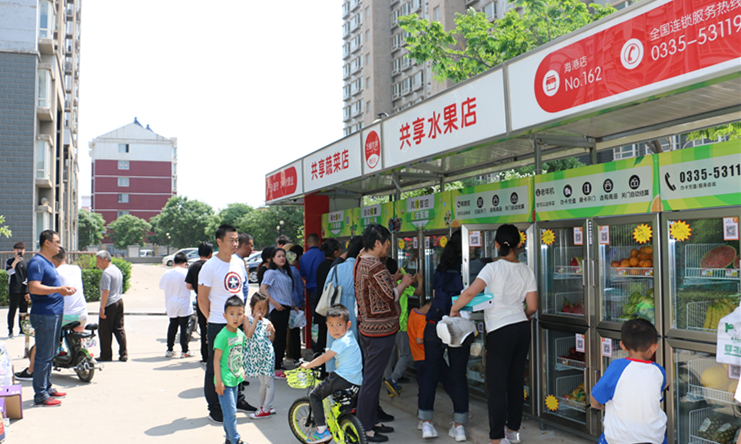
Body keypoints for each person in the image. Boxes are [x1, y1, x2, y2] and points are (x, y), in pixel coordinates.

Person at [452, 224, 537, 444]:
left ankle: (497, 439)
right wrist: (522, 316)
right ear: (519, 244)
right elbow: (533, 307)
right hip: (521, 328)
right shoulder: (527, 270)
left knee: (497, 387)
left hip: (500, 331)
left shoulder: (492, 268)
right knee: (516, 381)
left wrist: (454, 309)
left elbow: (470, 292)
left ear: (497, 244)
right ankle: (513, 432)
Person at [354, 224, 414, 442]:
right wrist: (404, 282)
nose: (389, 245)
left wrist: (392, 278)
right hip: (379, 332)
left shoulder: (361, 260)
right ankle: (364, 427)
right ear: (377, 243)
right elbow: (389, 296)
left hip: (368, 328)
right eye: (387, 242)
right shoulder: (375, 266)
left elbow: (377, 290)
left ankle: (372, 420)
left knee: (373, 378)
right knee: (371, 380)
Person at [198, 224, 256, 424]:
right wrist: (211, 318)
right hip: (218, 324)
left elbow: (241, 291)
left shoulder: (238, 263)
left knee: (236, 362)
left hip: (238, 322)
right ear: (219, 241)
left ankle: (237, 399)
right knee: (215, 366)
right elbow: (202, 299)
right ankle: (214, 407)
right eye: (231, 240)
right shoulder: (210, 266)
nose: (235, 243)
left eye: (237, 240)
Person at [416, 229, 470, 441]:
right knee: (458, 377)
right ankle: (459, 427)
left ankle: (426, 423)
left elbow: (436, 295)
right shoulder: (470, 269)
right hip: (458, 326)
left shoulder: (440, 269)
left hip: (435, 324)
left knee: (430, 374)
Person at [14, 246, 85, 382]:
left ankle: (31, 371)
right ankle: (77, 357)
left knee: (42, 343)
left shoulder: (54, 271)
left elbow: (40, 288)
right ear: (65, 257)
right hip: (82, 313)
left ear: (53, 259)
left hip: (62, 314)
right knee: (76, 339)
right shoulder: (77, 269)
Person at [590, 319, 667, 444]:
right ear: (654, 347)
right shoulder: (659, 371)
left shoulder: (617, 367)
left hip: (618, 440)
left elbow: (596, 396)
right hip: (654, 439)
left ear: (622, 345)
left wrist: (597, 406)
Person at [300, 304, 363, 444]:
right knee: (341, 410)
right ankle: (344, 430)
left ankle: (321, 431)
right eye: (331, 325)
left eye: (339, 324)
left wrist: (308, 365)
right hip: (356, 381)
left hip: (342, 378)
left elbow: (324, 358)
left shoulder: (340, 342)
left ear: (348, 324)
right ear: (327, 325)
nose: (335, 329)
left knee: (315, 395)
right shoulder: (350, 337)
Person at [27, 230, 76, 406]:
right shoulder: (37, 262)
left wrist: (63, 289)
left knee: (50, 353)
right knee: (44, 354)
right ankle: (40, 394)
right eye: (57, 242)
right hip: (45, 314)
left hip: (53, 313)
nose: (59, 246)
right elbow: (34, 287)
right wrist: (59, 290)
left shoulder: (48, 262)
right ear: (46, 243)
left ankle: (47, 387)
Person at [324, 236, 363, 372]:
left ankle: (331, 375)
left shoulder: (336, 268)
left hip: (335, 310)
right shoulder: (360, 270)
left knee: (333, 343)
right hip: (353, 311)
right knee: (351, 344)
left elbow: (326, 289)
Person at [384, 260, 422, 397]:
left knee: (388, 357)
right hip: (402, 326)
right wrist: (420, 280)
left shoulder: (385, 285)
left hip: (388, 326)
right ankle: (393, 380)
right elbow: (418, 292)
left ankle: (388, 384)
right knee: (405, 354)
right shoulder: (402, 285)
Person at [214, 296, 248, 444]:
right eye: (231, 314)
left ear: (244, 315)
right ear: (225, 316)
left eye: (239, 314)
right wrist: (218, 381)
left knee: (231, 412)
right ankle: (235, 440)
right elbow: (216, 359)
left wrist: (241, 368)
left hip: (235, 379)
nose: (235, 317)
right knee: (231, 413)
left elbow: (238, 354)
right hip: (224, 380)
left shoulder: (240, 335)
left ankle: (229, 439)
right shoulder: (222, 336)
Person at [259, 247, 298, 379]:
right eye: (279, 256)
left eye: (283, 256)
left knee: (282, 338)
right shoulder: (271, 272)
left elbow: (287, 291)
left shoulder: (285, 272)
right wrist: (274, 303)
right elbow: (263, 288)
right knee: (278, 339)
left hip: (286, 307)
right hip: (277, 309)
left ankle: (278, 364)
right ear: (273, 259)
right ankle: (275, 368)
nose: (282, 258)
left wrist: (293, 305)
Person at [243, 292, 276, 419]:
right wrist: (256, 319)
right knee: (262, 383)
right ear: (252, 307)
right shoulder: (247, 319)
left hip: (267, 355)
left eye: (264, 308)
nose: (261, 311)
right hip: (256, 357)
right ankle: (264, 405)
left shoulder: (267, 322)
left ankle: (266, 408)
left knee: (269, 381)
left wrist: (272, 331)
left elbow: (270, 340)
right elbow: (249, 334)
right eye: (259, 308)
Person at [160, 252, 194, 358]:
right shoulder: (186, 272)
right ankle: (185, 350)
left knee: (172, 327)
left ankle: (169, 349)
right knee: (184, 328)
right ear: (184, 263)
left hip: (171, 304)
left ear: (174, 262)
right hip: (184, 304)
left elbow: (161, 286)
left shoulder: (166, 273)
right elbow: (190, 286)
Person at [96, 250, 127, 362]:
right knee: (119, 329)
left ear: (105, 260)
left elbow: (106, 291)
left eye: (99, 261)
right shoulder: (117, 270)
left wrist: (102, 308)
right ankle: (123, 353)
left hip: (109, 304)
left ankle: (106, 355)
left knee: (104, 331)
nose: (97, 265)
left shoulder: (107, 273)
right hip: (119, 301)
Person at [185, 242, 214, 363]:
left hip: (201, 300)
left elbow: (188, 285)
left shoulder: (193, 266)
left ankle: (205, 355)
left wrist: (198, 289)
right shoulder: (213, 265)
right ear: (210, 253)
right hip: (214, 300)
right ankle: (214, 355)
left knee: (203, 328)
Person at [315, 238, 342, 352]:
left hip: (322, 303)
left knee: (322, 334)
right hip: (331, 304)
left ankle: (319, 357)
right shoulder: (336, 267)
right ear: (335, 252)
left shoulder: (321, 266)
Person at [299, 233, 324, 350]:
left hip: (312, 292)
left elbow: (303, 276)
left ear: (307, 243)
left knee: (315, 320)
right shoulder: (323, 254)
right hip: (325, 291)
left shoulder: (304, 257)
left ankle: (315, 347)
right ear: (319, 242)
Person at [6, 241, 29, 338]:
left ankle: (22, 330)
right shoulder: (9, 261)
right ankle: (10, 330)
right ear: (14, 250)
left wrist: (28, 290)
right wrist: (15, 261)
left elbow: (28, 277)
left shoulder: (26, 263)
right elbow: (9, 272)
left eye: (21, 249)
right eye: (17, 249)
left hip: (24, 290)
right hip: (14, 290)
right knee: (12, 310)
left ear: (24, 251)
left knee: (23, 312)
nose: (19, 251)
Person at [286, 245, 304, 367]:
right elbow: (298, 289)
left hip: (286, 303)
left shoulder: (284, 270)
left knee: (288, 330)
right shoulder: (294, 271)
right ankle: (296, 355)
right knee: (295, 330)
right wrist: (301, 303)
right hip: (295, 303)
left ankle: (290, 354)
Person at [234, 233, 254, 303]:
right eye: (251, 246)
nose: (252, 249)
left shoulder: (240, 261)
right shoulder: (234, 262)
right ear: (244, 246)